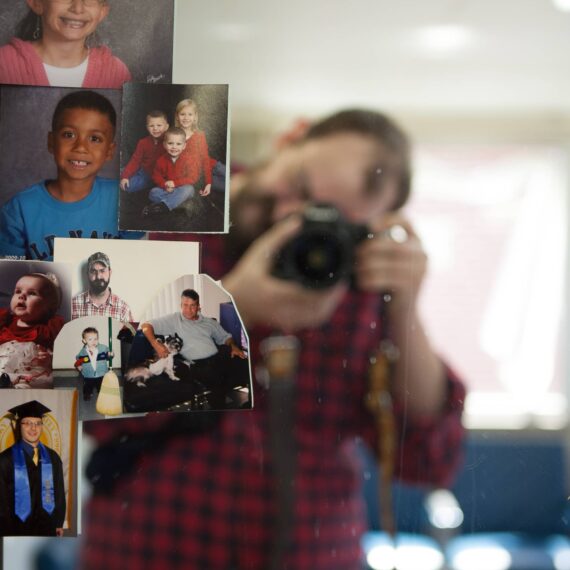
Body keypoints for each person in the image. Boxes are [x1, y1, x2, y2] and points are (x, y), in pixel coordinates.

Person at [81, 109, 466, 569]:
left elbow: (426, 460)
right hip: (153, 548)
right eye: (300, 187)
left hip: (313, 552)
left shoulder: (354, 275)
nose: (291, 218)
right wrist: (231, 306)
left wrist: (405, 307)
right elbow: (86, 400)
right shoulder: (161, 216)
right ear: (290, 138)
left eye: (331, 220)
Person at [0, 90, 135, 261]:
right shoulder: (19, 209)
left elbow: (140, 266)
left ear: (109, 151)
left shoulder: (125, 200)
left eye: (94, 138)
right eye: (69, 135)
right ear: (51, 142)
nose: (80, 147)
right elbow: (7, 278)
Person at [139, 288, 246, 407]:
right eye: (185, 305)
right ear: (181, 305)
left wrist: (233, 346)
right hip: (198, 364)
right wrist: (155, 344)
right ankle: (219, 414)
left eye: (192, 306)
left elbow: (225, 337)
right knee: (216, 380)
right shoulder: (174, 320)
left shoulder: (208, 322)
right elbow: (145, 326)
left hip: (218, 357)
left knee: (246, 365)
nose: (188, 310)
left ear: (198, 306)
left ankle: (250, 405)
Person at [0, 0, 131, 88]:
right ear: (37, 3)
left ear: (102, 12)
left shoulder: (116, 73)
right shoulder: (4, 64)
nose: (78, 8)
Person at [0, 400, 66, 536]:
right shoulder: (5, 460)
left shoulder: (53, 458)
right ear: (19, 426)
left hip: (47, 527)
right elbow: (2, 502)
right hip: (15, 529)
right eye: (28, 423)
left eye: (37, 423)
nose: (33, 428)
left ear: (42, 426)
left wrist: (58, 522)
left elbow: (59, 492)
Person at [0, 271, 64, 388]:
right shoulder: (5, 321)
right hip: (3, 369)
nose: (22, 296)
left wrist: (51, 360)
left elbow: (64, 353)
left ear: (49, 306)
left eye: (32, 293)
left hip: (31, 375)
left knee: (40, 381)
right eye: (18, 291)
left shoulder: (49, 328)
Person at [175, 98, 226, 196]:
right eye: (182, 114)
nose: (186, 117)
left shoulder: (199, 135)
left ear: (195, 117)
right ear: (177, 116)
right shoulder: (174, 136)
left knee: (238, 177)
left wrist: (208, 183)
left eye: (190, 114)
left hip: (214, 166)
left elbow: (205, 159)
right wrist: (207, 183)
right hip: (200, 176)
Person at [143, 127, 197, 217]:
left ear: (184, 146)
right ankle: (179, 205)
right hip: (167, 190)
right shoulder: (161, 160)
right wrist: (165, 184)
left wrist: (175, 183)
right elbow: (156, 176)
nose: (174, 147)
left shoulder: (188, 160)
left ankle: (162, 207)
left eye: (178, 144)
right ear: (164, 144)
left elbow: (193, 177)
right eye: (170, 143)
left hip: (182, 189)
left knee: (189, 189)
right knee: (153, 192)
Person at [71, 251, 133, 322]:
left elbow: (131, 333)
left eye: (102, 271)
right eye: (93, 271)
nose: (98, 276)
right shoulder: (73, 306)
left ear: (110, 272)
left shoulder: (123, 309)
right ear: (88, 274)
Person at [120, 110, 169, 194]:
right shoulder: (143, 142)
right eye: (151, 126)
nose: (155, 128)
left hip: (150, 176)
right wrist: (125, 176)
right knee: (118, 173)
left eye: (159, 125)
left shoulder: (169, 143)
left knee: (129, 186)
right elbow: (135, 161)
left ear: (166, 126)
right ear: (147, 127)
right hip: (140, 168)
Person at [75, 326, 112, 401]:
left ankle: (102, 394)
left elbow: (108, 357)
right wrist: (78, 365)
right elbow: (78, 360)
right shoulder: (83, 352)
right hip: (88, 374)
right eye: (90, 339)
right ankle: (87, 394)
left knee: (101, 386)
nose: (93, 341)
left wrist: (110, 354)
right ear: (84, 341)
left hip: (101, 373)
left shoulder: (103, 348)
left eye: (95, 339)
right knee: (88, 386)